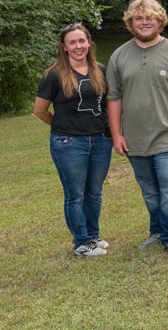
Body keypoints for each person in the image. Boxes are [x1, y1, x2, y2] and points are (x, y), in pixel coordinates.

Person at [106, 0, 168, 259]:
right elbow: (113, 98)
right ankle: (158, 230)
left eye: (150, 17)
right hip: (136, 139)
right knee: (150, 191)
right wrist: (117, 134)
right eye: (139, 18)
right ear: (131, 22)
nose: (145, 22)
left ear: (160, 20)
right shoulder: (119, 56)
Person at [33, 23, 113, 256]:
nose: (78, 46)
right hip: (69, 143)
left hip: (100, 140)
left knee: (94, 191)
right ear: (64, 47)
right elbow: (39, 110)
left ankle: (93, 235)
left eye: (82, 41)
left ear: (89, 43)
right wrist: (63, 128)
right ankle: (81, 242)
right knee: (75, 193)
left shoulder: (100, 70)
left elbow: (108, 105)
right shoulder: (54, 75)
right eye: (72, 42)